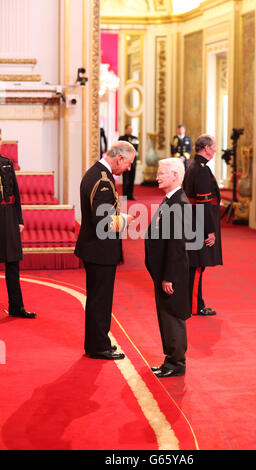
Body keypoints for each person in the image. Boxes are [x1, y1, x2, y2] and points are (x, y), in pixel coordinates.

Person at [75, 141, 136, 359]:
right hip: (99, 249)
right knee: (100, 299)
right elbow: (102, 220)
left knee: (98, 298)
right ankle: (97, 346)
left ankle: (99, 341)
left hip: (96, 248)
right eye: (128, 163)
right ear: (119, 158)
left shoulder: (97, 172)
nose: (128, 168)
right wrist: (124, 220)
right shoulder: (101, 179)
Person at [145, 158, 191, 377]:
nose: (157, 176)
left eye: (161, 173)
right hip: (163, 270)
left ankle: (176, 364)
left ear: (174, 175)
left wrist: (168, 277)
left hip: (171, 273)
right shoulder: (170, 200)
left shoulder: (179, 204)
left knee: (173, 317)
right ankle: (170, 361)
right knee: (166, 316)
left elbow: (177, 245)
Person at [183, 134, 223, 316]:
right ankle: (194, 306)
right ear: (206, 148)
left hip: (193, 222)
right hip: (199, 225)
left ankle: (196, 303)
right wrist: (210, 231)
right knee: (197, 266)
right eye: (213, 146)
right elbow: (204, 203)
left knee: (196, 266)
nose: (215, 149)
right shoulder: (201, 170)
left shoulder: (195, 166)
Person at [0, 137, 36, 318]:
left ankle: (16, 306)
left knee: (12, 264)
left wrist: (19, 219)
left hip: (8, 216)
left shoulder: (7, 163)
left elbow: (16, 193)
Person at [118, 124, 138, 200]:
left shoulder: (135, 138)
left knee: (132, 179)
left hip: (133, 162)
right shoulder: (121, 138)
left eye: (131, 129)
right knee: (125, 179)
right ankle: (124, 196)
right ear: (126, 129)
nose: (130, 130)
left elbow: (135, 148)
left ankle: (130, 195)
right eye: (129, 129)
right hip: (125, 161)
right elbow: (120, 149)